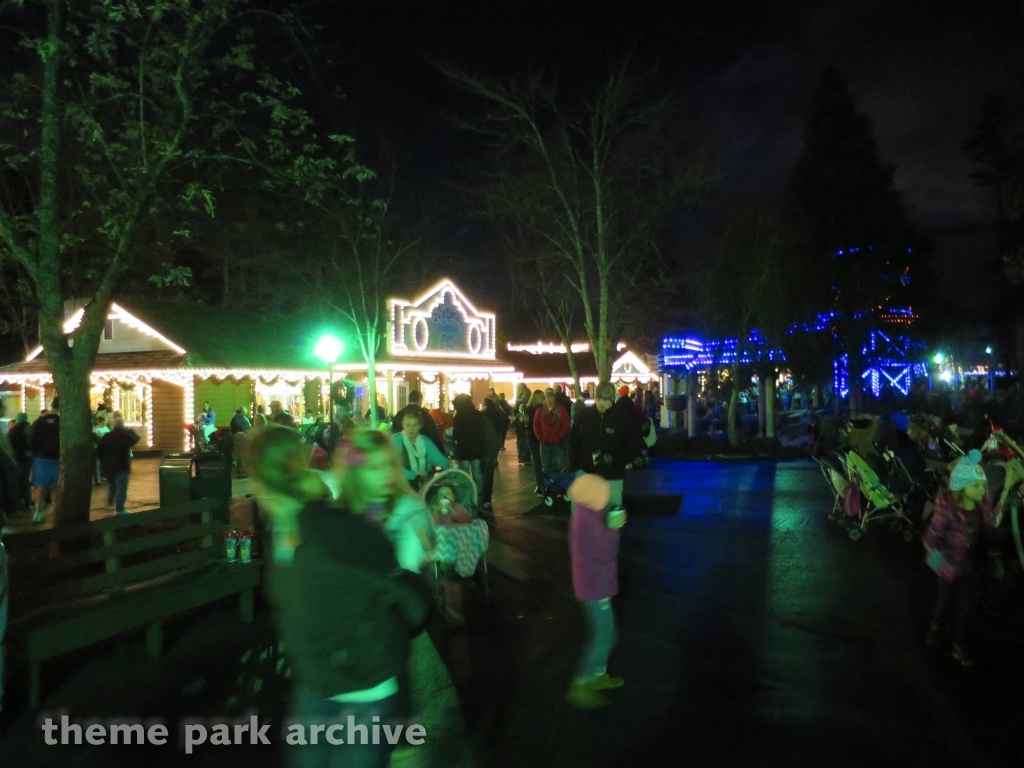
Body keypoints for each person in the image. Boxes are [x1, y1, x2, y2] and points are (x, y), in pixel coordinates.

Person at [245, 426, 430, 768]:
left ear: (259, 483)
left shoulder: (330, 527)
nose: (383, 475)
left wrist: (379, 632)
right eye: (373, 467)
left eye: (386, 466)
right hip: (316, 684)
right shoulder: (292, 526)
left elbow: (411, 596)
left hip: (364, 683)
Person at [923, 450, 999, 667]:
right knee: (944, 600)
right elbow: (931, 539)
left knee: (965, 606)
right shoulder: (947, 511)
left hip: (971, 565)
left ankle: (958, 644)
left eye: (982, 485)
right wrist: (939, 565)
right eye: (976, 485)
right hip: (948, 566)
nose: (982, 489)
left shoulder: (983, 507)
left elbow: (988, 530)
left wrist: (992, 550)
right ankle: (936, 629)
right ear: (961, 486)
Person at [566, 473, 626, 708]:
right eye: (603, 494)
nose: (607, 497)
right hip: (595, 587)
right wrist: (614, 528)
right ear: (592, 496)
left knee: (608, 633)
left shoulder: (588, 514)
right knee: (603, 635)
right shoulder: (587, 522)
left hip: (596, 583)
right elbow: (606, 552)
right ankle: (581, 683)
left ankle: (598, 674)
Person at [568, 382, 644, 509]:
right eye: (598, 398)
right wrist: (576, 466)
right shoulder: (585, 415)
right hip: (586, 473)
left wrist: (614, 459)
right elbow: (573, 441)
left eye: (605, 399)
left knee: (612, 515)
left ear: (612, 399)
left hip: (612, 476)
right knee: (581, 513)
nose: (601, 403)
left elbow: (634, 446)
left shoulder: (623, 418)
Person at [452, 394, 499, 513]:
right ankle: (479, 498)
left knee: (465, 475)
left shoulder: (459, 416)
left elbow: (456, 434)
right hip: (477, 450)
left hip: (464, 449)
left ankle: (467, 499)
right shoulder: (478, 415)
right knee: (477, 475)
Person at [392, 411, 449, 490]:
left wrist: (451, 467)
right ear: (403, 425)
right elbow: (392, 466)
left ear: (420, 426)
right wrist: (414, 475)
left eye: (415, 425)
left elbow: (440, 460)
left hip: (424, 485)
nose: (411, 429)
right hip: (402, 486)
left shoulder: (425, 441)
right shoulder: (396, 440)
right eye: (408, 425)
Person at [97, 413, 140, 515]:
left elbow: (99, 451)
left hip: (108, 467)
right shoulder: (125, 437)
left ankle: (110, 502)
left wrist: (103, 462)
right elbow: (136, 438)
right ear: (122, 426)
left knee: (112, 485)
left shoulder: (107, 437)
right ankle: (120, 509)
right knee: (121, 488)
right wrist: (128, 430)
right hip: (122, 466)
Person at [30, 398, 61, 523]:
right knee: (59, 487)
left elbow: (32, 440)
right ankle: (57, 509)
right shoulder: (62, 422)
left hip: (41, 458)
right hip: (58, 459)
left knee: (40, 486)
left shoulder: (38, 423)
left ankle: (38, 511)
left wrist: (35, 453)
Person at [534, 388, 571, 473]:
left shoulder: (561, 409)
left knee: (559, 466)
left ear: (554, 397)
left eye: (551, 396)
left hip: (557, 444)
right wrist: (540, 437)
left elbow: (566, 424)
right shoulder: (540, 410)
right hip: (544, 444)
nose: (549, 399)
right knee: (545, 467)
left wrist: (559, 436)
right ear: (545, 398)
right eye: (547, 396)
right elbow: (536, 425)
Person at [8, 413, 32, 510]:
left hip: (16, 458)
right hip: (28, 457)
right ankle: (27, 500)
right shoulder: (29, 428)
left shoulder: (12, 431)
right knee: (26, 479)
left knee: (17, 479)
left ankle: (19, 501)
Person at [523, 390, 546, 495]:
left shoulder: (527, 410)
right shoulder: (544, 409)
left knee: (537, 462)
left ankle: (539, 485)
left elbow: (525, 424)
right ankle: (546, 484)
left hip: (531, 437)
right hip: (543, 438)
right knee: (545, 462)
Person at [514, 384, 532, 465]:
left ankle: (521, 455)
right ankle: (525, 456)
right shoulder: (528, 393)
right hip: (525, 419)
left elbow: (516, 409)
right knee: (525, 438)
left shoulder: (520, 397)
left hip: (520, 419)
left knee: (521, 439)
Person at [92, 416, 110, 484]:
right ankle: (99, 478)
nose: (104, 423)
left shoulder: (105, 429)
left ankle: (101, 477)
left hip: (102, 449)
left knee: (100, 464)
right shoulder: (96, 429)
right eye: (102, 422)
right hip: (99, 449)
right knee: (98, 464)